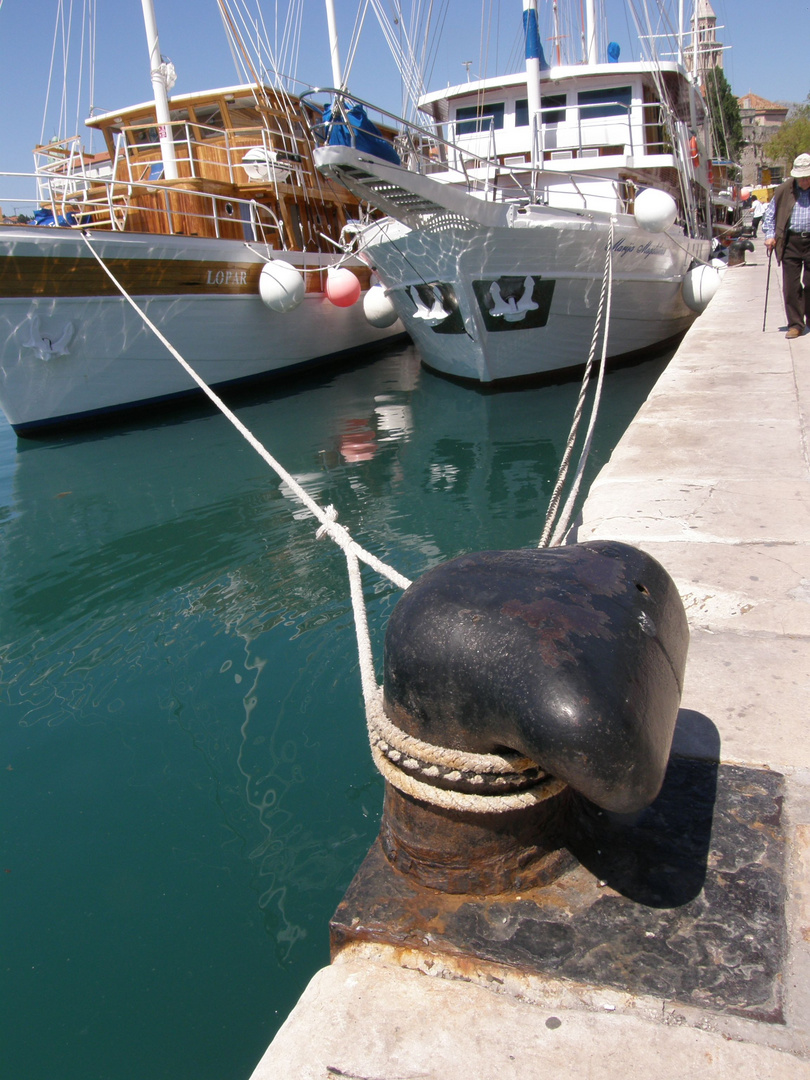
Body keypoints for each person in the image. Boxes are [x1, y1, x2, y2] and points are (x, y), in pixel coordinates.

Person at [763, 153, 810, 339]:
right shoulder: (783, 190)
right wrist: (769, 236)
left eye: (808, 177)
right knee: (790, 286)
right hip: (791, 241)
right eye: (802, 178)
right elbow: (770, 215)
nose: (805, 181)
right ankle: (796, 324)